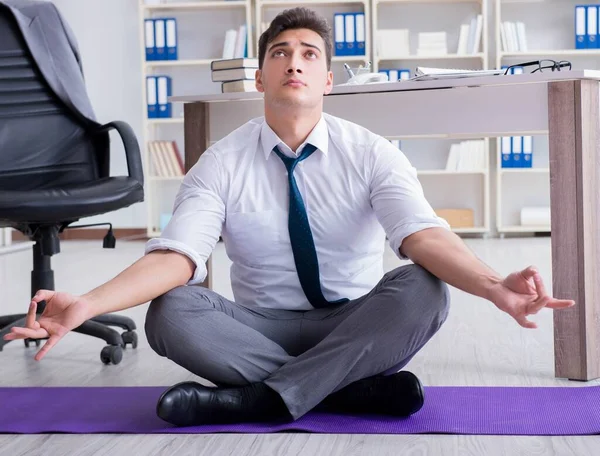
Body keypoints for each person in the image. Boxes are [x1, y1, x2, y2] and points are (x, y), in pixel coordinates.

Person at [4, 7, 575, 427]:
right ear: (259, 77)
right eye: (280, 53)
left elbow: (422, 235)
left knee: (424, 291)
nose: (294, 63)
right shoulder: (221, 161)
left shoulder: (374, 152)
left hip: (352, 321)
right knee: (171, 311)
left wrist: (493, 285)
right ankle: (344, 389)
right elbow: (178, 258)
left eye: (309, 55)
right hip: (256, 325)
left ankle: (260, 399)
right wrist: (88, 304)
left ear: (329, 79)